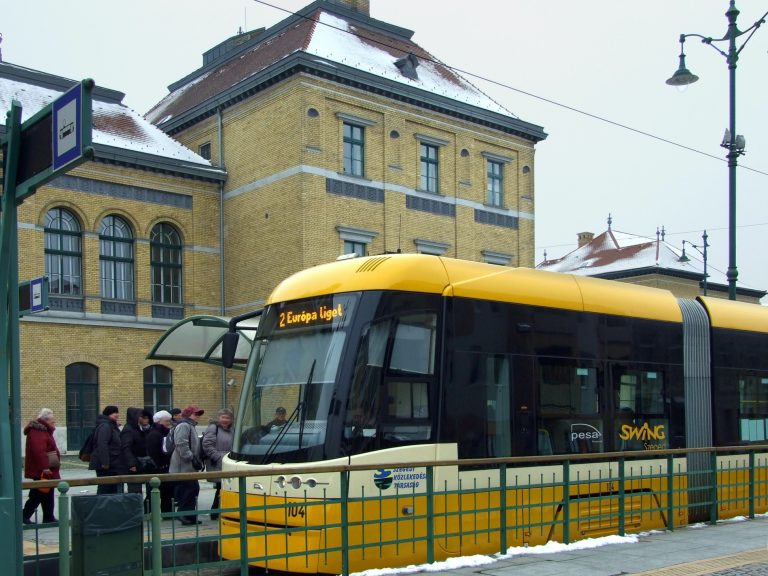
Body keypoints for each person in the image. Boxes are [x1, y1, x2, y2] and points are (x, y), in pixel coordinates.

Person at [22, 408, 61, 524]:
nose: (53, 422)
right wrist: (45, 467)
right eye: (52, 420)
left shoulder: (43, 430)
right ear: (46, 420)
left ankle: (48, 516)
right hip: (42, 470)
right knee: (38, 493)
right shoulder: (38, 431)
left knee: (47, 493)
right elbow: (39, 451)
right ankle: (24, 514)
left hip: (46, 468)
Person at [169, 405, 204, 524]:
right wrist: (190, 457)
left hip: (188, 465)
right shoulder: (184, 425)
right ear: (188, 415)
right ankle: (183, 514)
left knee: (191, 489)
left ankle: (189, 515)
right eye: (195, 414)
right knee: (190, 489)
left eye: (198, 414)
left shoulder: (190, 426)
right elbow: (181, 444)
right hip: (182, 465)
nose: (198, 416)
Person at [89, 405, 133, 494]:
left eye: (117, 412)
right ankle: (102, 507)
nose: (117, 415)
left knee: (110, 488)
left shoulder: (110, 425)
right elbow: (102, 444)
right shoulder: (105, 426)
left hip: (112, 463)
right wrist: (105, 462)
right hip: (107, 465)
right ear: (108, 414)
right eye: (114, 413)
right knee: (105, 488)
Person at [202, 409, 234, 520]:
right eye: (223, 417)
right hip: (218, 462)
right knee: (222, 486)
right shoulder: (213, 428)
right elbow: (207, 445)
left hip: (228, 461)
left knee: (223, 487)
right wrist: (218, 457)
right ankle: (215, 512)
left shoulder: (232, 430)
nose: (225, 420)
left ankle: (217, 511)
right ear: (219, 418)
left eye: (228, 418)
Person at [121, 407, 154, 504]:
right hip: (135, 465)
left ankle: (144, 510)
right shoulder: (128, 430)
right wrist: (131, 463)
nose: (142, 418)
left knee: (150, 490)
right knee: (135, 491)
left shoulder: (140, 429)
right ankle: (136, 512)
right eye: (140, 416)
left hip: (144, 463)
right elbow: (126, 448)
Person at [146, 410, 174, 514]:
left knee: (167, 492)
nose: (169, 423)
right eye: (166, 421)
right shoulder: (154, 434)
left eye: (169, 420)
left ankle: (167, 513)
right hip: (158, 468)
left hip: (165, 467)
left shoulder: (165, 433)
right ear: (159, 422)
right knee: (154, 493)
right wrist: (159, 465)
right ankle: (148, 512)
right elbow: (153, 453)